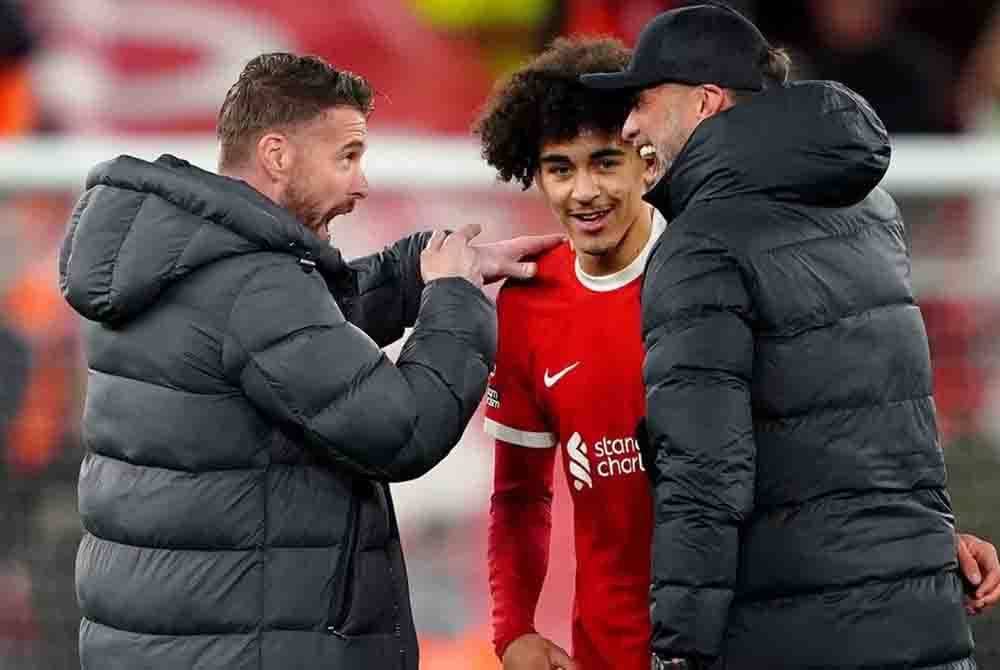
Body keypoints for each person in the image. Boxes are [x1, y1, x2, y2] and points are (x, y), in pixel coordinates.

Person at [58, 52, 560, 670]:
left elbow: (298, 344)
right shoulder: (255, 286)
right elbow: (403, 428)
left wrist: (413, 275)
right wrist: (454, 300)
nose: (362, 184)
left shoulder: (178, 259)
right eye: (346, 157)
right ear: (277, 155)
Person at [580, 4, 995, 669]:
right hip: (920, 625)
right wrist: (931, 544)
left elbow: (705, 472)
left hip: (795, 635)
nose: (627, 127)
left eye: (642, 101)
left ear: (706, 102)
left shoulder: (701, 246)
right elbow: (895, 430)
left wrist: (679, 646)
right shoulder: (873, 213)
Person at [476, 37, 661, 670]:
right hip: (608, 648)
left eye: (605, 162)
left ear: (645, 162)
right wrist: (513, 631)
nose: (584, 191)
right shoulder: (529, 300)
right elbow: (519, 494)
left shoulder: (705, 268)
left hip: (739, 638)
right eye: (560, 168)